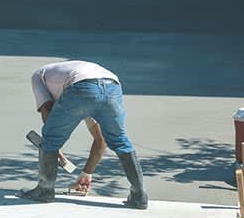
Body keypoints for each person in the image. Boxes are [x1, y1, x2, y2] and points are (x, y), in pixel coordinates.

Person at [20, 60, 148, 209]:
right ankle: (139, 195)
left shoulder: (38, 76)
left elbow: (47, 110)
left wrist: (53, 146)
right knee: (120, 140)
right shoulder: (76, 87)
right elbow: (101, 139)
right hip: (112, 86)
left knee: (50, 138)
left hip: (81, 88)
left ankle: (45, 190)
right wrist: (87, 173)